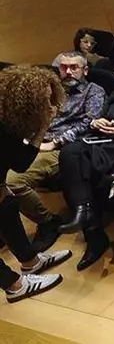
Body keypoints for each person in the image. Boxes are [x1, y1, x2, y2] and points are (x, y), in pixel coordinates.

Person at [6, 52, 105, 252]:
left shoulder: (93, 91)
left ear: (85, 70)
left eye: (74, 67)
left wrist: (56, 142)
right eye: (63, 67)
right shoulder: (53, 90)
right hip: (37, 141)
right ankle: (9, 229)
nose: (68, 72)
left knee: (12, 182)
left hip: (66, 148)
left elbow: (91, 123)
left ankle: (48, 222)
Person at [56, 51, 114, 271]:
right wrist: (98, 123)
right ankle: (88, 222)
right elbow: (100, 117)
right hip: (106, 143)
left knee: (80, 165)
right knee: (70, 154)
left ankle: (91, 227)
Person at [0, 66, 73, 303]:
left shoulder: (9, 115)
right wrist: (43, 126)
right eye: (44, 101)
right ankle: (14, 285)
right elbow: (21, 164)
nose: (49, 105)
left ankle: (30, 261)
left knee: (6, 204)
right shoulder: (6, 126)